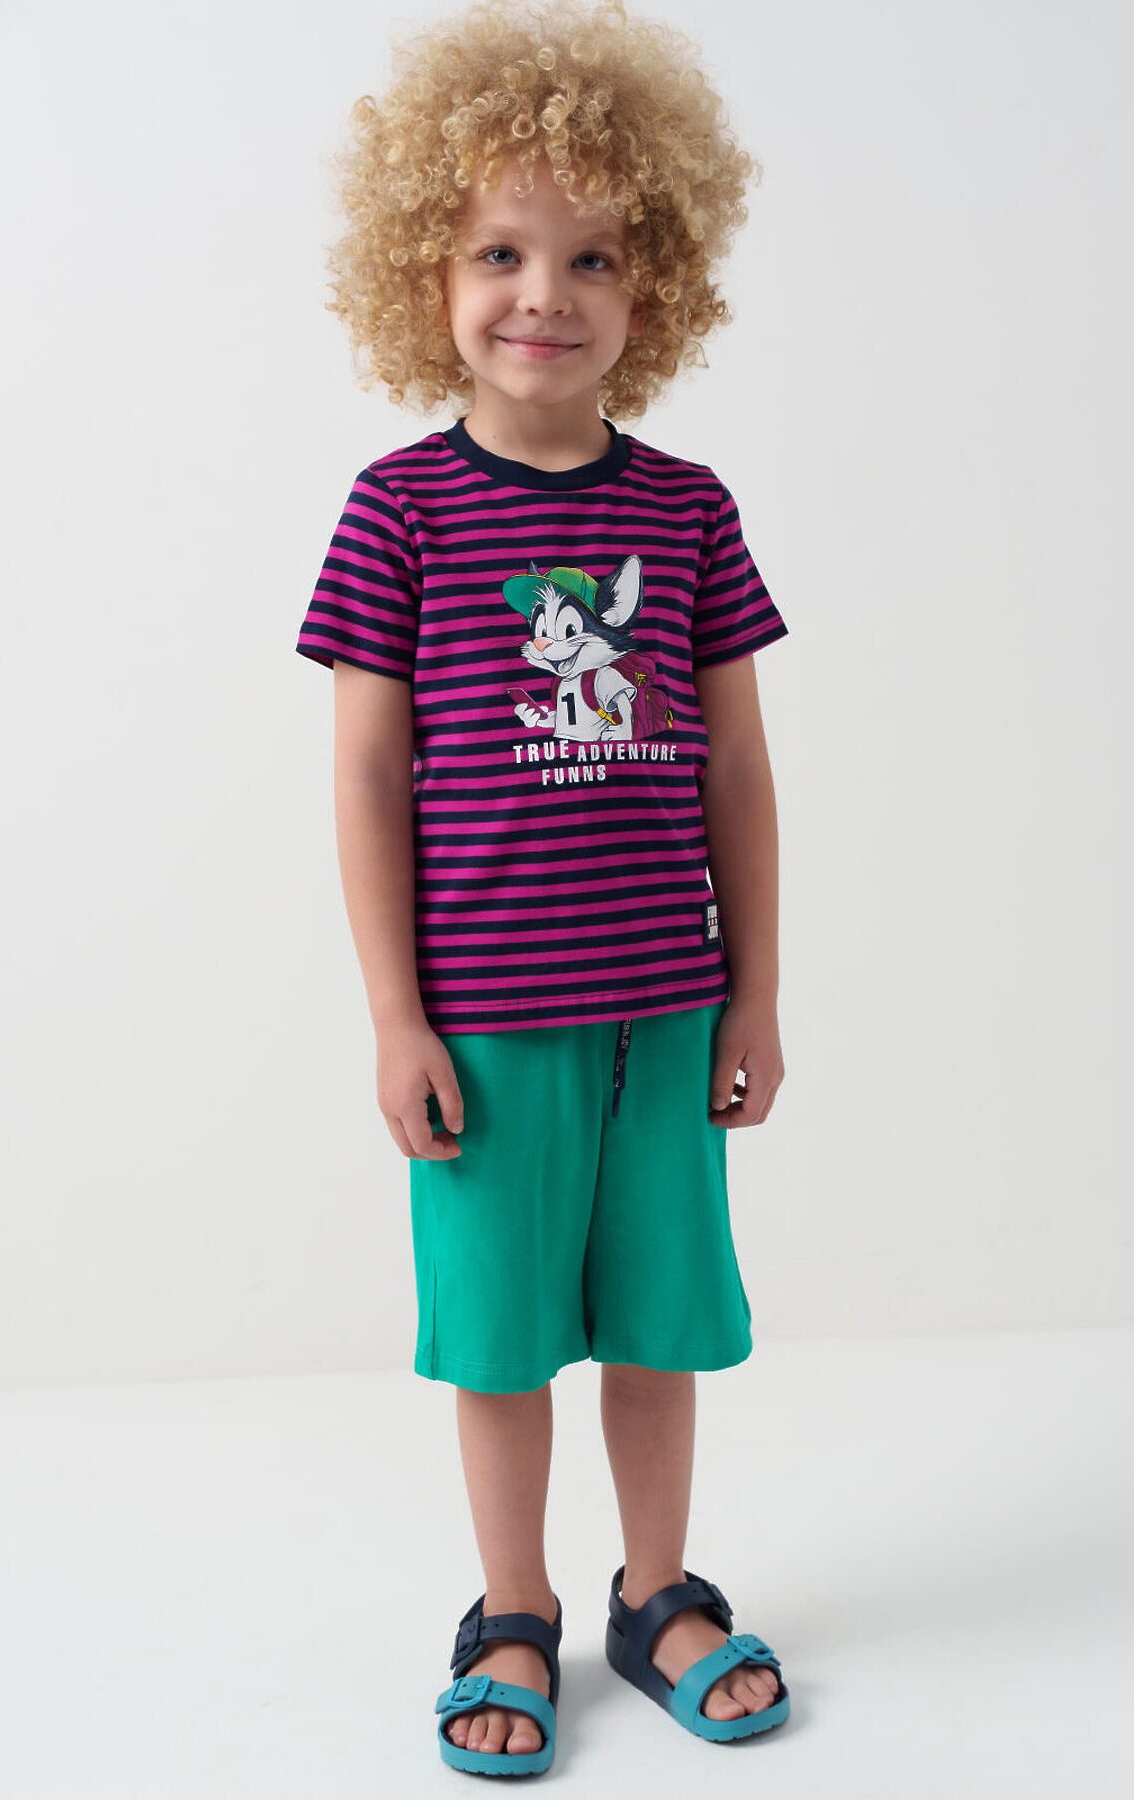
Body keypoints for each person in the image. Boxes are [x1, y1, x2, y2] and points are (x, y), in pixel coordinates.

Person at [294, 0, 792, 1775]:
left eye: (592, 257)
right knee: (501, 1344)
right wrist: (394, 1017)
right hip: (489, 1026)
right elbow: (370, 775)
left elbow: (735, 765)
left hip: (666, 1012)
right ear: (424, 273)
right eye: (500, 251)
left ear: (656, 286)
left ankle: (659, 1593)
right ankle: (515, 1609)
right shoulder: (401, 514)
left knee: (658, 1327)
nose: (544, 295)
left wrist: (756, 988)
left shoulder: (691, 511)